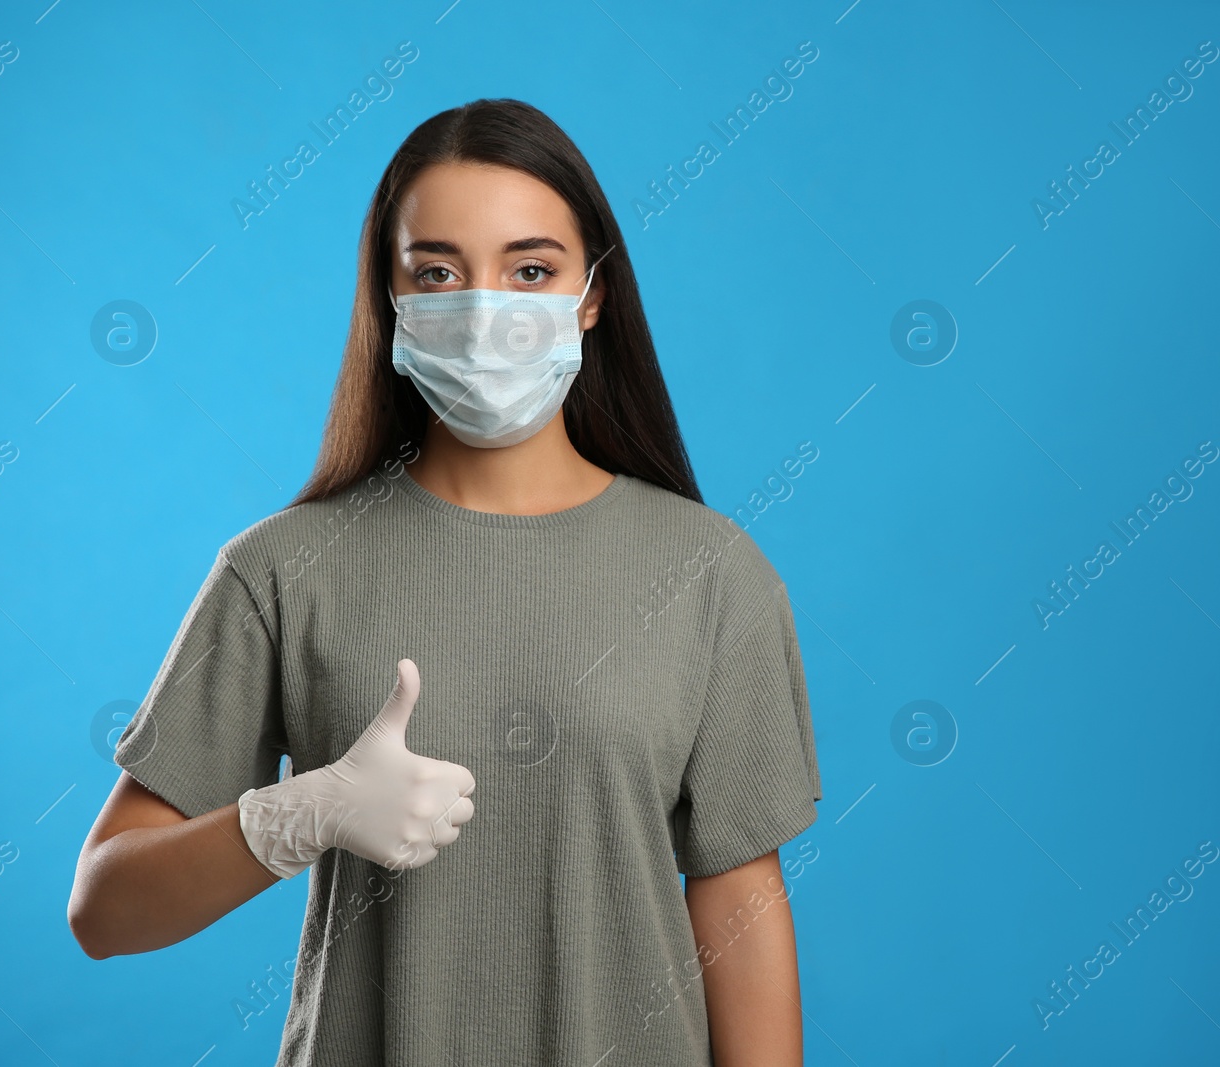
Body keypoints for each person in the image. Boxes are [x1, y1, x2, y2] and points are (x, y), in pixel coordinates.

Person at [66, 98, 823, 1067]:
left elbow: (737, 897)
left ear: (592, 293)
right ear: (390, 297)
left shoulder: (711, 572)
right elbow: (105, 910)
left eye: (532, 269)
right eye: (437, 272)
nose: (485, 307)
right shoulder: (281, 569)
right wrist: (301, 813)